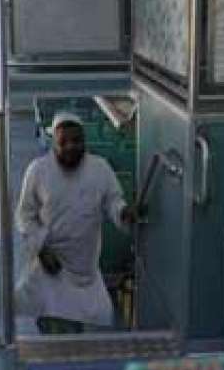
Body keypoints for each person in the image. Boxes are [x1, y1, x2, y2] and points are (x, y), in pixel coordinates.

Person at [14, 112, 141, 334]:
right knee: (56, 326)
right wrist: (41, 249)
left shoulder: (100, 169)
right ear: (54, 143)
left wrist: (123, 213)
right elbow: (24, 215)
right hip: (51, 267)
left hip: (85, 271)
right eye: (64, 142)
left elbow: (113, 200)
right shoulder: (38, 170)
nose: (71, 146)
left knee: (90, 324)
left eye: (77, 140)